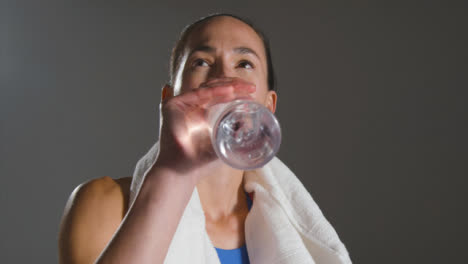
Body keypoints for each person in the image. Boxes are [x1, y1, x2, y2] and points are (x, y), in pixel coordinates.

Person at [58, 13, 344, 264]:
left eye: (244, 63)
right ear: (169, 98)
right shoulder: (104, 203)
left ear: (268, 105)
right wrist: (172, 173)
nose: (223, 77)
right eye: (201, 62)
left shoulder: (296, 232)